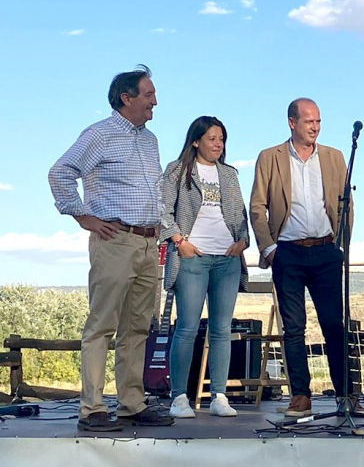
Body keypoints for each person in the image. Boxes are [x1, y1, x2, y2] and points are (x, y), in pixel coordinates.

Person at [49, 65, 173, 431]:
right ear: (126, 97)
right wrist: (82, 216)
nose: (155, 101)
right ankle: (92, 409)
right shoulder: (99, 134)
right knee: (102, 325)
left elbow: (154, 189)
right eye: (149, 94)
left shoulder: (150, 140)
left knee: (137, 328)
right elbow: (60, 172)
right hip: (114, 240)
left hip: (148, 242)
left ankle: (132, 403)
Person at [250, 98, 361, 417]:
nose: (315, 127)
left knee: (334, 324)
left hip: (326, 251)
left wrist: (340, 245)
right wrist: (269, 249)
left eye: (318, 121)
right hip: (288, 252)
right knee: (294, 327)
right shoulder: (270, 157)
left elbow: (345, 205)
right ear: (292, 122)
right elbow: (257, 206)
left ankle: (345, 394)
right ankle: (300, 395)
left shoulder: (334, 157)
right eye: (309, 121)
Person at [160, 116, 250, 419]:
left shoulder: (229, 174)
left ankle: (219, 396)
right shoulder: (177, 170)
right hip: (192, 257)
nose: (218, 144)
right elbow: (162, 209)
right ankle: (179, 397)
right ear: (196, 141)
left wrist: (243, 241)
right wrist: (178, 240)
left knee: (222, 329)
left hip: (227, 258)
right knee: (187, 327)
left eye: (221, 139)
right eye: (212, 138)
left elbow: (240, 213)